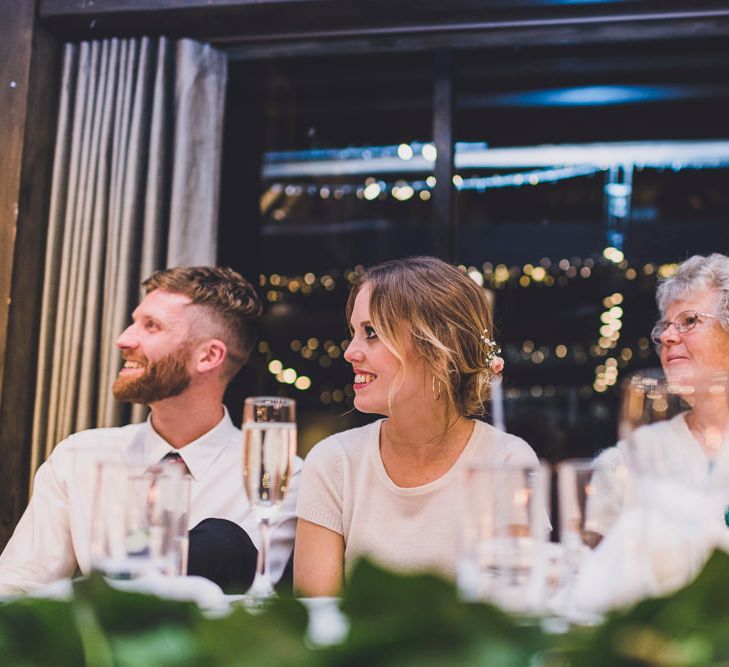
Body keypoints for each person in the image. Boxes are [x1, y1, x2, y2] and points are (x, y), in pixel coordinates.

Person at [0, 266, 300, 595]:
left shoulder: (278, 478)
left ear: (209, 356)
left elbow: (261, 606)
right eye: (135, 321)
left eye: (151, 326)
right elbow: (16, 589)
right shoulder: (79, 457)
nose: (124, 339)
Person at [293, 256, 539, 596]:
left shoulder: (506, 462)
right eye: (353, 333)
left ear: (438, 348)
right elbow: (316, 616)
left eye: (372, 333)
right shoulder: (334, 462)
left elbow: (514, 614)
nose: (350, 352)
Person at [588, 252, 729, 534]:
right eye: (664, 325)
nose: (666, 336)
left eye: (689, 320)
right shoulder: (625, 466)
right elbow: (597, 570)